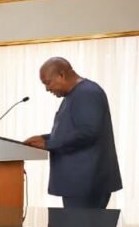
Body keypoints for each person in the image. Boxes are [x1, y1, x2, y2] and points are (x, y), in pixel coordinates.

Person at [24, 57, 122, 209]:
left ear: (61, 75)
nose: (47, 89)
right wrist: (44, 138)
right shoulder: (75, 94)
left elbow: (88, 133)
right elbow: (72, 131)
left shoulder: (87, 93)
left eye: (48, 83)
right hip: (80, 184)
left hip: (86, 183)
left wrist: (49, 144)